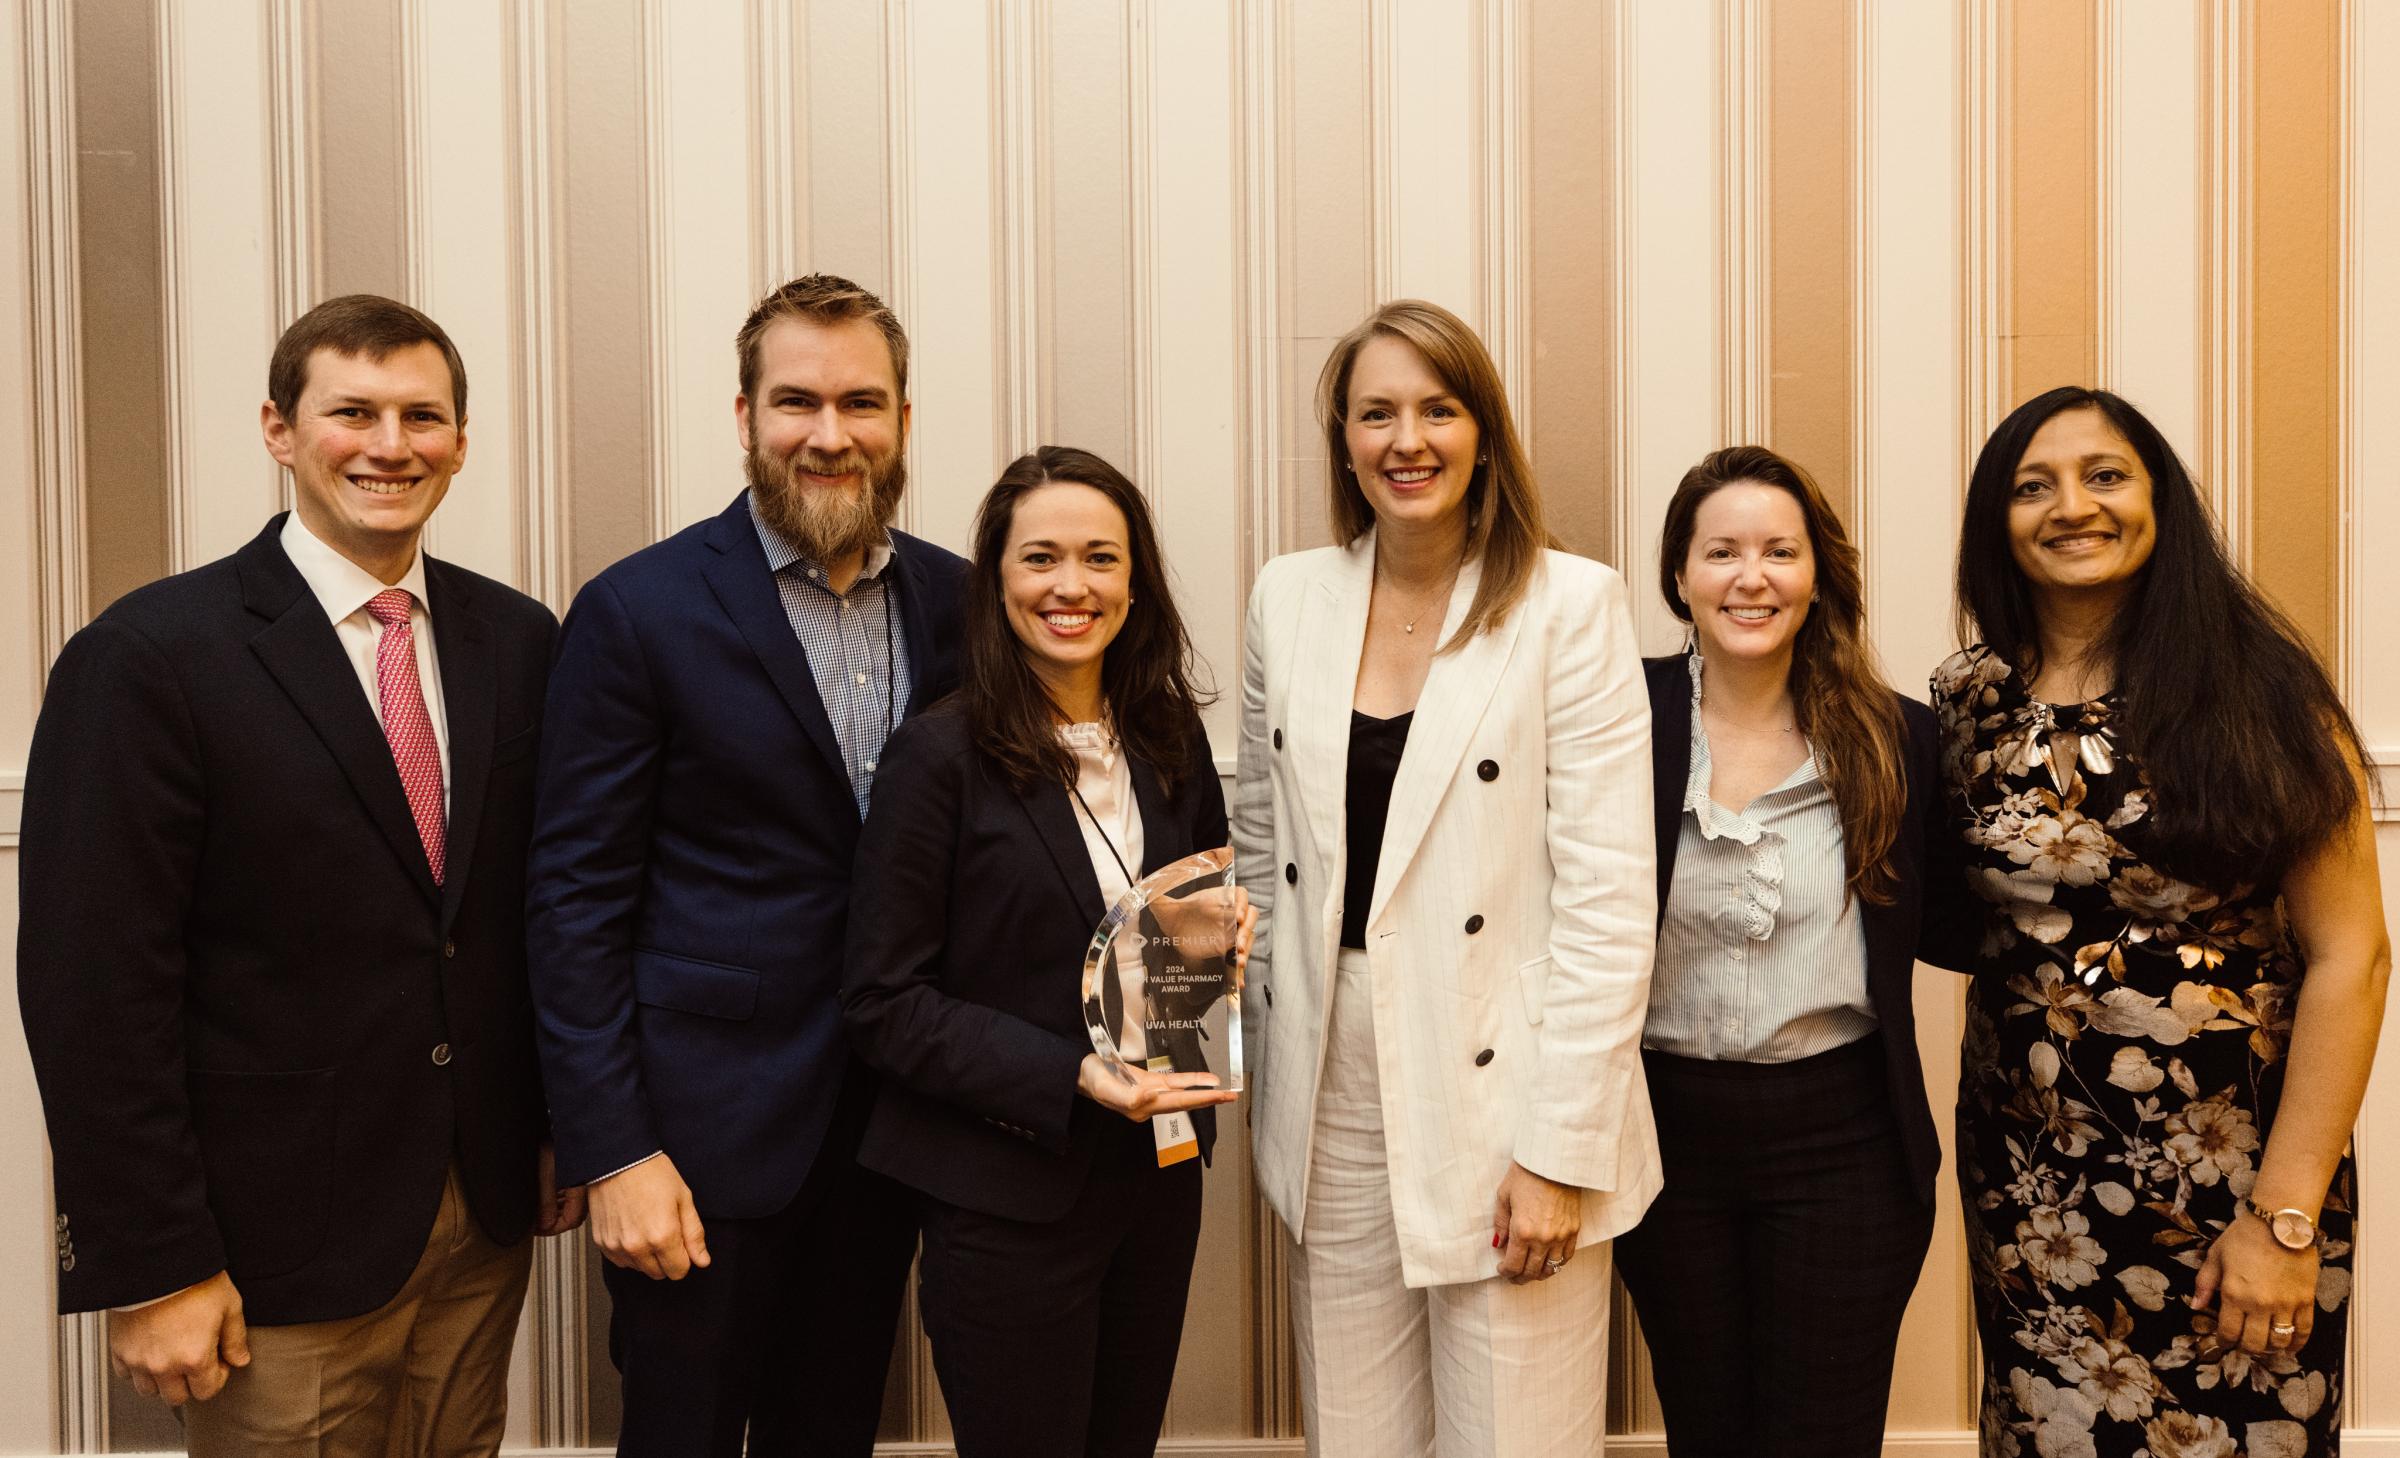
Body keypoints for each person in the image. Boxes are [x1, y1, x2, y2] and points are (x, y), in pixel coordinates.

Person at [15, 294, 578, 1454]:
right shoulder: (149, 658)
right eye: (352, 411)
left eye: (423, 416)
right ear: (279, 429)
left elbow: (530, 917)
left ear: (461, 445)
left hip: (479, 1224)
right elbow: (93, 988)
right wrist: (153, 1265)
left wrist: (562, 1121)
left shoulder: (519, 642)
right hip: (268, 1245)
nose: (390, 444)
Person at [526, 274, 965, 1454]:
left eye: (862, 402)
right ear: (744, 417)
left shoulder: (959, 604)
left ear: (906, 422)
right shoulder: (638, 608)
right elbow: (572, 899)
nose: (830, 434)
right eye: (797, 402)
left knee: (832, 1434)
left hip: (891, 1138)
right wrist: (613, 1146)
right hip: (699, 1143)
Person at [1233, 299, 1660, 1456]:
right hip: (1331, 1078)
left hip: (1507, 1080)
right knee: (1356, 1436)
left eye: (1437, 408)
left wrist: (1558, 1156)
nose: (1405, 440)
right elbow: (1260, 851)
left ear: (1484, 431)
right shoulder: (1289, 596)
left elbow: (1613, 902)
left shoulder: (1572, 605)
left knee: (1512, 1435)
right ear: (1344, 436)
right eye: (1376, 413)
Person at [1934, 386, 2389, 1457]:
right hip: (2031, 1185)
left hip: (2233, 1178)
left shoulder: (2261, 691)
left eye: (2105, 476)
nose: (2071, 506)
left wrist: (2284, 1218)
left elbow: (2351, 957)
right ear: (1996, 521)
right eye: (2031, 486)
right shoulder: (1968, 701)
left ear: (2158, 501)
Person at [843, 446, 1251, 1457]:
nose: (1073, 586)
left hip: (1157, 1186)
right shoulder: (938, 755)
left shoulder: (1166, 738)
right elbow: (883, 1002)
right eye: (1041, 559)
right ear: (997, 583)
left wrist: (1223, 940)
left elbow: (1175, 928)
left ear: (1134, 581)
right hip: (1006, 1199)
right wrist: (1076, 1075)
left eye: (1101, 559)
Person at [1613, 445, 1944, 1456]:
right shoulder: (1617, 717)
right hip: (1663, 1137)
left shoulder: (1897, 738)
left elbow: (1979, 921)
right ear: (1678, 575)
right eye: (1721, 552)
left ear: (1815, 573)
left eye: (1778, 552)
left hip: (1843, 1139)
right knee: (1706, 1431)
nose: (1750, 578)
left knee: (1823, 1437)